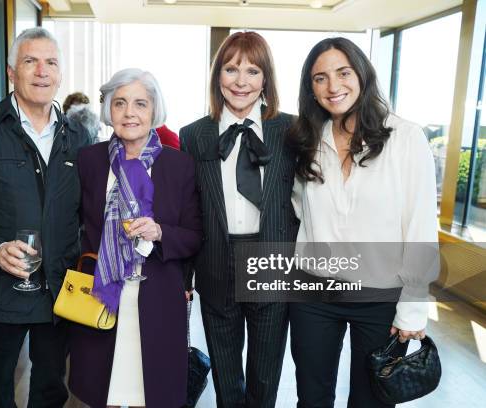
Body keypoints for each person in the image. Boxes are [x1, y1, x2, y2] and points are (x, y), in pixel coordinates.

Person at [0, 28, 91, 408]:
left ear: (60, 74)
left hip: (61, 290)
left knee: (51, 389)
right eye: (30, 61)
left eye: (51, 62)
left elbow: (90, 210)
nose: (42, 71)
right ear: (11, 72)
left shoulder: (80, 137)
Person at [289, 37, 439, 407]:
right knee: (311, 397)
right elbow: (298, 208)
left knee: (370, 400)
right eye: (319, 78)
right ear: (311, 88)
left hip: (380, 296)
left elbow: (419, 225)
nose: (332, 86)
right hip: (314, 294)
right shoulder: (309, 138)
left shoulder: (405, 138)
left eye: (343, 73)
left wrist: (413, 305)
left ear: (363, 75)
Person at [67, 68, 202, 408]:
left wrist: (160, 232)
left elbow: (194, 236)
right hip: (101, 294)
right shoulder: (89, 160)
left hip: (156, 296)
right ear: (108, 109)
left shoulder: (180, 165)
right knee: (104, 390)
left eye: (140, 104)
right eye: (120, 103)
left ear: (154, 110)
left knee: (150, 393)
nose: (130, 113)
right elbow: (73, 226)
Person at [179, 31, 298, 407]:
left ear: (266, 79)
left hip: (272, 261)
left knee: (266, 376)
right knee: (226, 377)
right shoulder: (194, 135)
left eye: (252, 70)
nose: (241, 81)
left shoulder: (292, 131)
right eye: (231, 69)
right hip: (216, 261)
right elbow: (187, 210)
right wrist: (184, 278)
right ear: (218, 77)